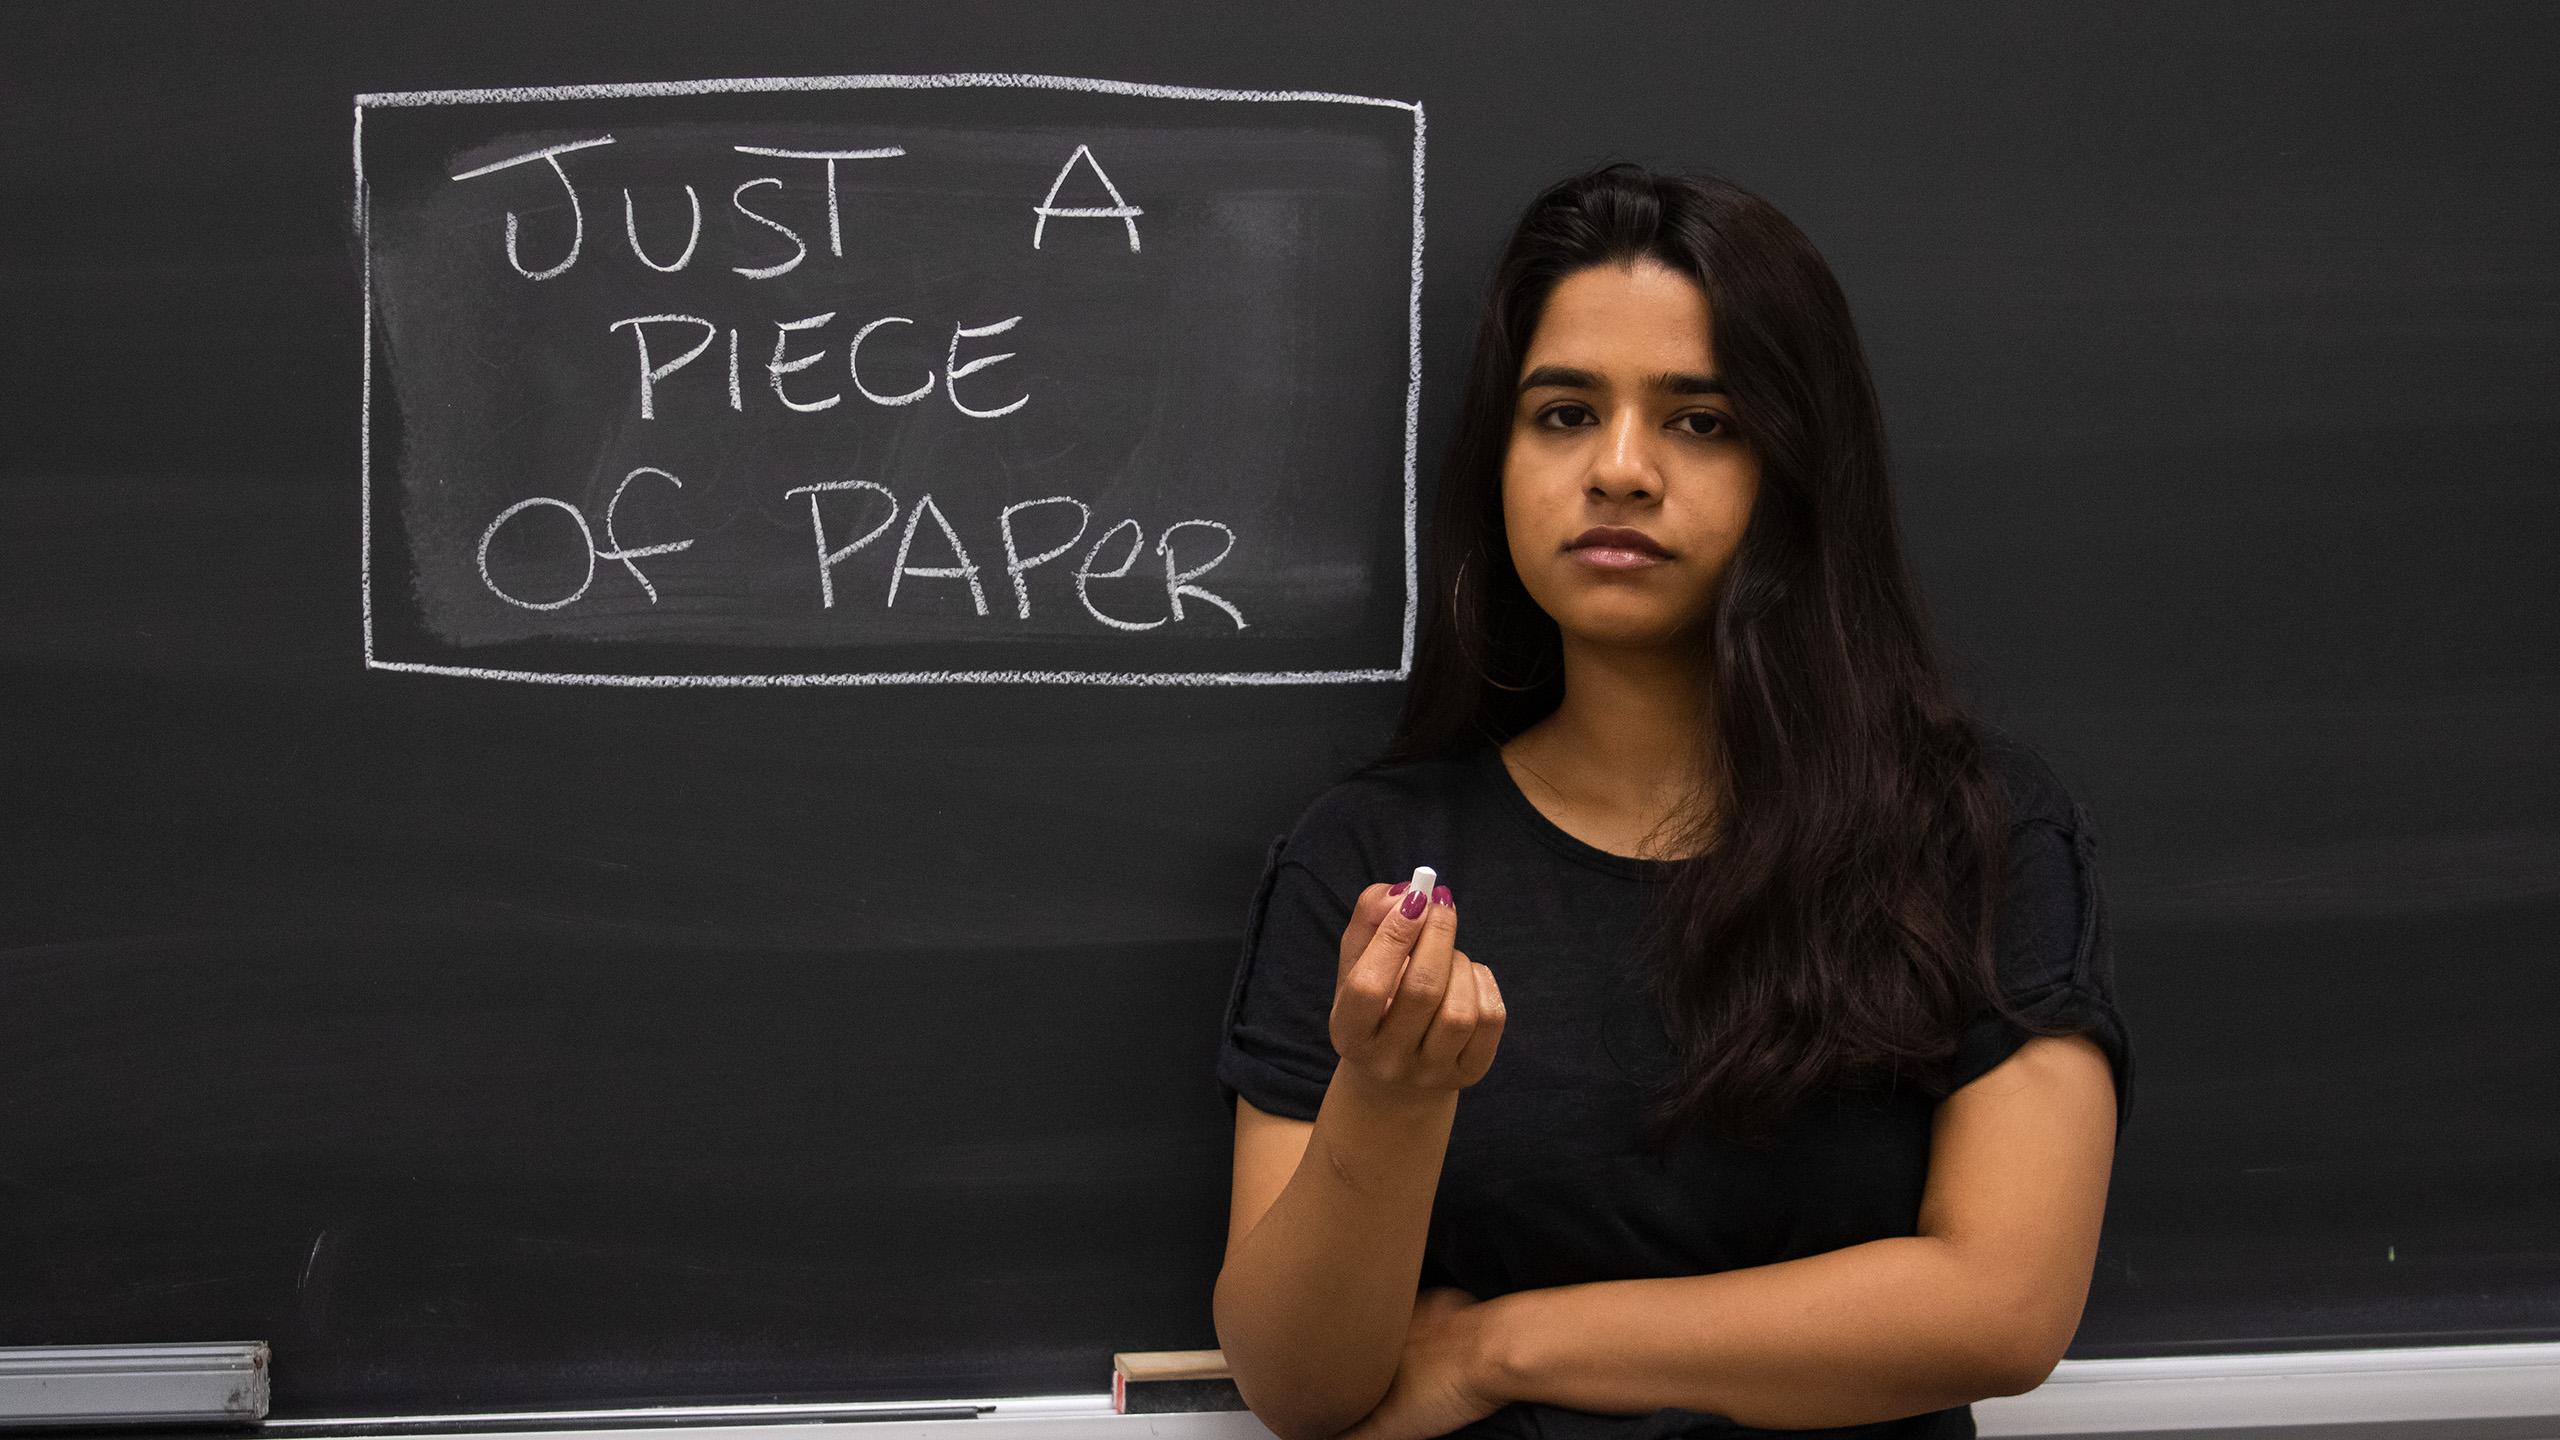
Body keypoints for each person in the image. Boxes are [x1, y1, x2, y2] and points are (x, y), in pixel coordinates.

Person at [1209, 164, 2134, 1440]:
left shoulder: (1971, 835)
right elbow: (1300, 1387)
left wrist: (1501, 1345)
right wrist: (1393, 1096)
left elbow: (2001, 1307)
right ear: (1501, 458)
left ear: (1794, 468)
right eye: (1564, 413)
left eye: (1700, 421)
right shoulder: (1371, 860)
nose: (1621, 471)